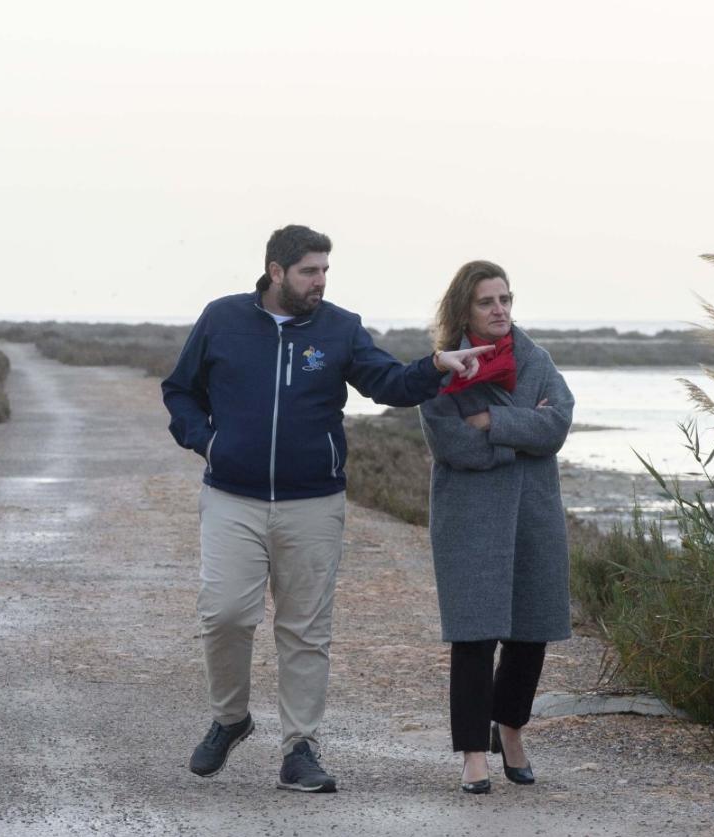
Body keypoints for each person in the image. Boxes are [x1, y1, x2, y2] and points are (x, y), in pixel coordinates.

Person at [161, 225, 491, 793]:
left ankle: (300, 749)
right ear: (276, 271)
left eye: (325, 272)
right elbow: (180, 390)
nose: (320, 282)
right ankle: (230, 718)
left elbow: (386, 382)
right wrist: (207, 441)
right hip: (231, 496)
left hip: (313, 503)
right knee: (225, 615)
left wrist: (437, 366)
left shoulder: (340, 328)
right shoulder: (222, 319)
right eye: (309, 271)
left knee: (306, 631)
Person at [419, 260, 575, 793]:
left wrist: (491, 422)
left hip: (533, 512)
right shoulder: (445, 370)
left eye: (505, 299)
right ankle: (472, 754)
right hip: (471, 517)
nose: (500, 309)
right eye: (488, 302)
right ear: (465, 308)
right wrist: (520, 433)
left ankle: (509, 729)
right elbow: (450, 443)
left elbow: (556, 425)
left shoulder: (536, 359)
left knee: (531, 631)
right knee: (475, 633)